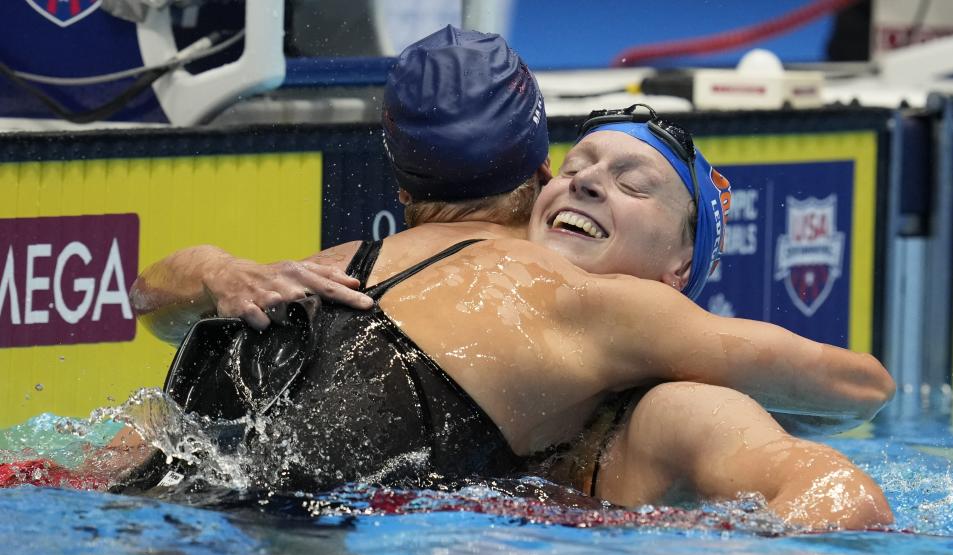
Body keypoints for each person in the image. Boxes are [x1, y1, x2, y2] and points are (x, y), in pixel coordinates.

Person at [115, 26, 894, 528]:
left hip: (157, 516)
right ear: (540, 175)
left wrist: (213, 269)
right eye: (582, 167)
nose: (591, 184)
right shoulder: (532, 311)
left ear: (681, 266)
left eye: (633, 184)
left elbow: (849, 455)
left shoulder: (676, 397)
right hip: (250, 526)